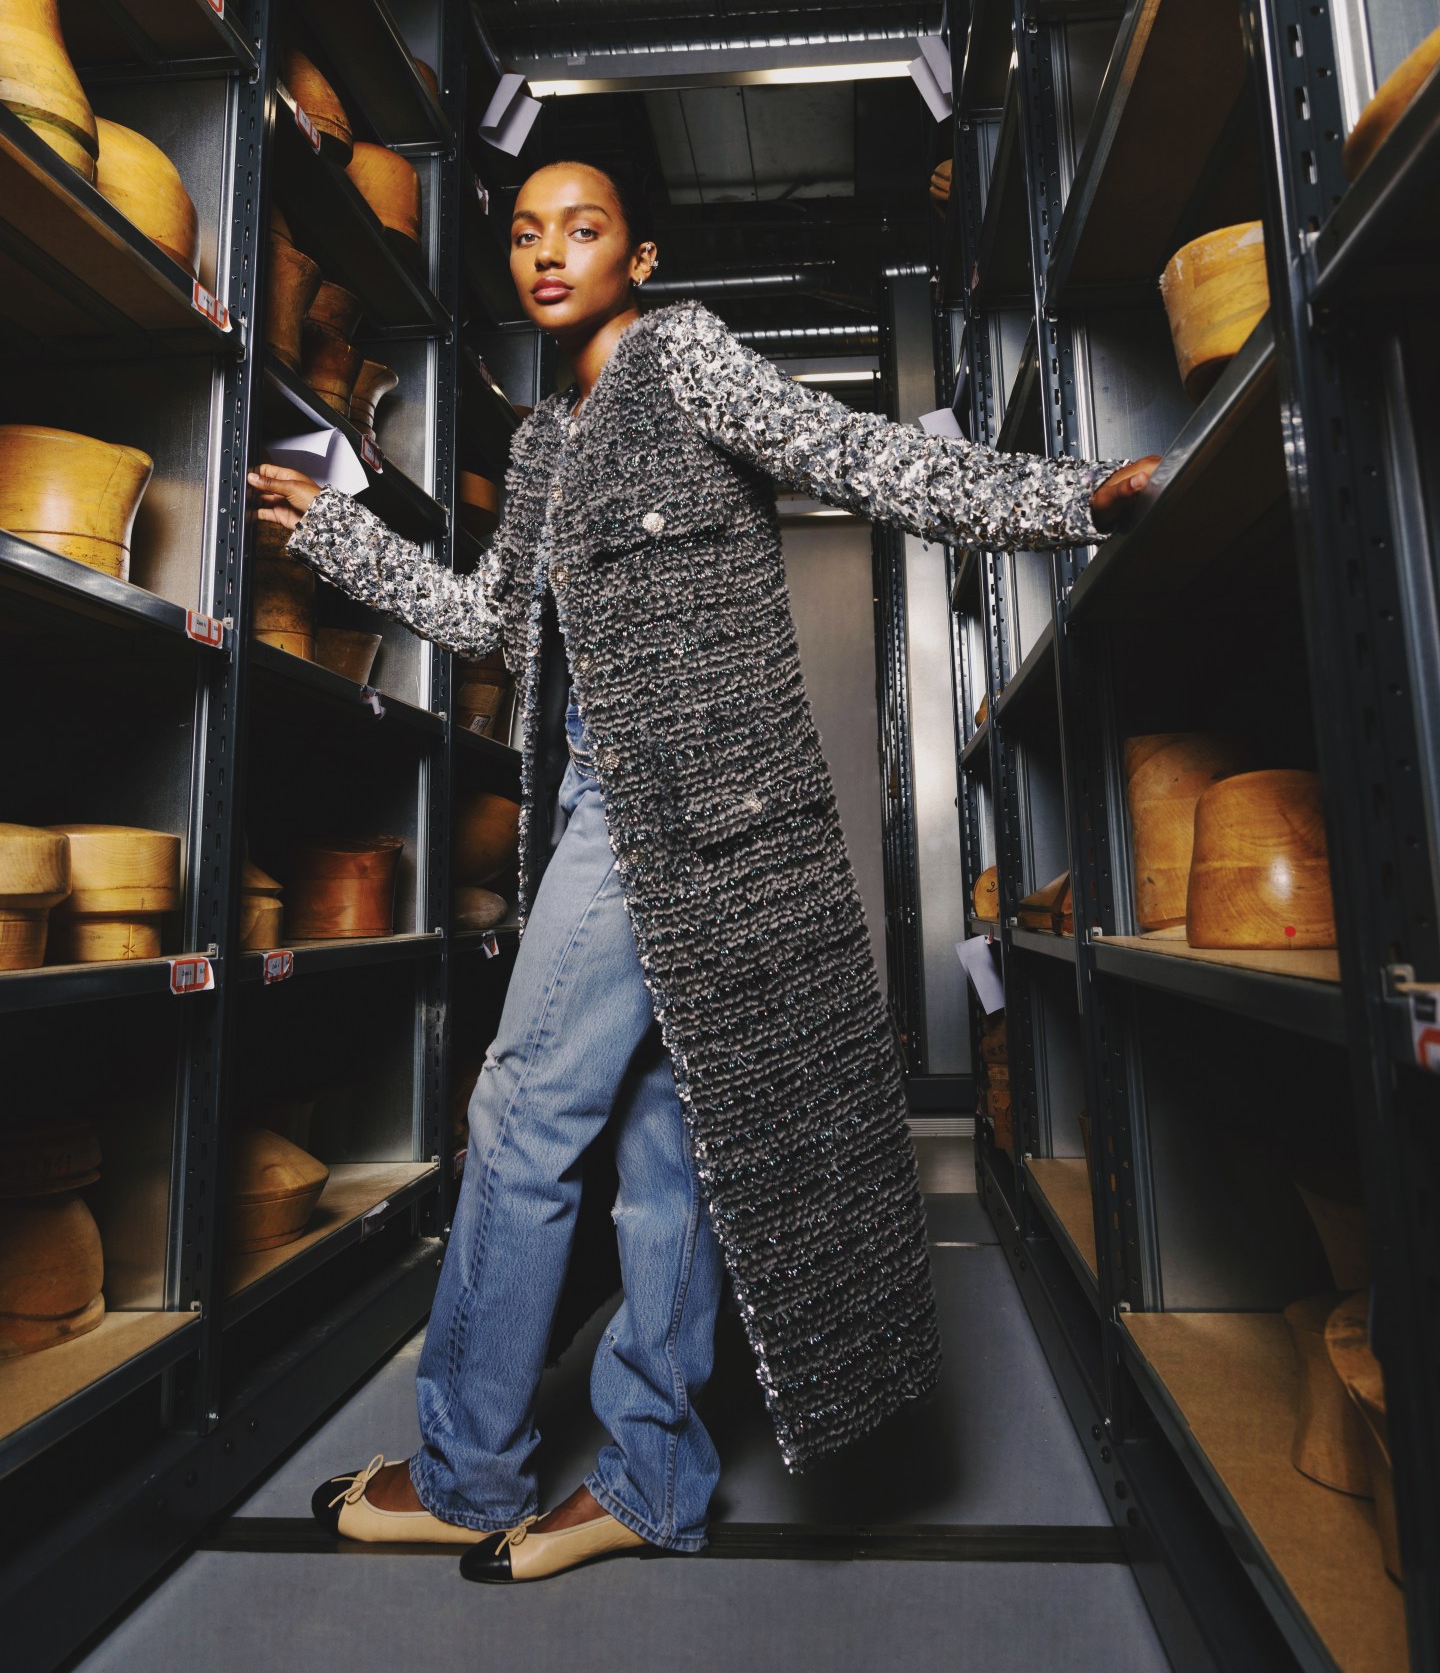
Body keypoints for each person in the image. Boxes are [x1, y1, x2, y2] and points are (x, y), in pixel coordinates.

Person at [247, 160, 1159, 1585]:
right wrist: (338, 535)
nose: (549, 252)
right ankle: (651, 1478)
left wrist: (1080, 494)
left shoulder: (685, 358)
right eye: (528, 233)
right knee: (672, 1151)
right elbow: (488, 619)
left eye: (585, 228)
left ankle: (466, 1469)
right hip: (619, 806)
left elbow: (861, 456)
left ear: (642, 258)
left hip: (681, 814)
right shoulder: (548, 441)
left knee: (525, 1112)